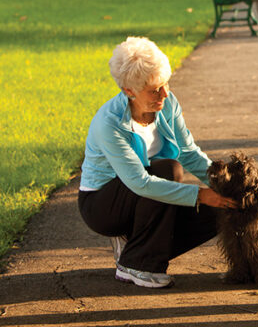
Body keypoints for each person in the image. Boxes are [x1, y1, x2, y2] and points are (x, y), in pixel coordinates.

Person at [78, 36, 238, 288]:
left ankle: (135, 250)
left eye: (165, 84)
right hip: (104, 204)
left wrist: (225, 188)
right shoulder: (109, 122)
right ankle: (137, 266)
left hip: (146, 196)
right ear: (129, 91)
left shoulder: (168, 103)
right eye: (154, 90)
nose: (164, 94)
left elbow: (188, 152)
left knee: (225, 209)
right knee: (167, 169)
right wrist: (200, 195)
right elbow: (140, 183)